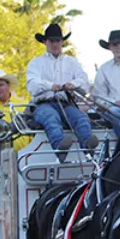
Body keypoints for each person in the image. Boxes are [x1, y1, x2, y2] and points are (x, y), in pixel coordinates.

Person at [26, 23, 98, 159]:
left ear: (62, 42)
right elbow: (32, 85)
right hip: (43, 104)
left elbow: (84, 82)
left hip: (66, 103)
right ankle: (60, 147)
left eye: (58, 41)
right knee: (50, 118)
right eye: (51, 41)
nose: (55, 44)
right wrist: (50, 85)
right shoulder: (36, 63)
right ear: (45, 42)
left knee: (81, 118)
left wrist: (73, 84)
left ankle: (88, 146)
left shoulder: (72, 62)